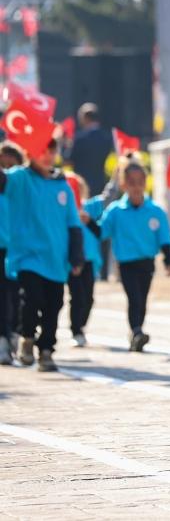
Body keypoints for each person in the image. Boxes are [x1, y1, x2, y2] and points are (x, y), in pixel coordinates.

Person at [0, 138, 84, 371]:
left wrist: (76, 256)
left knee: (54, 304)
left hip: (56, 260)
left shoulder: (63, 186)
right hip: (27, 257)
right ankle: (27, 337)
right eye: (42, 151)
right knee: (33, 298)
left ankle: (46, 350)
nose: (47, 155)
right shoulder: (19, 178)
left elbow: (73, 224)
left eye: (51, 150)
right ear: (29, 152)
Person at [100, 156, 170, 352]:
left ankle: (137, 331)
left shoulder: (155, 210)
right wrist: (88, 222)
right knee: (134, 297)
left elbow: (164, 236)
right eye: (131, 183)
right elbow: (102, 231)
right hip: (125, 263)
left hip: (146, 261)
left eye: (140, 183)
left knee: (143, 298)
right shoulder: (116, 210)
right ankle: (136, 330)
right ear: (124, 184)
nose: (136, 187)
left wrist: (168, 258)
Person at [66, 173, 103, 348]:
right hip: (72, 260)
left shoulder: (90, 207)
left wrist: (119, 171)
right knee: (77, 296)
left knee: (88, 298)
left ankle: (80, 326)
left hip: (90, 260)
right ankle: (75, 330)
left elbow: (109, 197)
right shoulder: (64, 211)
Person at [0, 141, 25, 365]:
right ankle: (3, 340)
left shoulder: (23, 189)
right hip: (1, 249)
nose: (6, 170)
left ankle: (15, 334)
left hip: (19, 250)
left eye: (11, 164)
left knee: (17, 297)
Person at [65, 103, 115, 196]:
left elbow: (68, 161)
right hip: (100, 183)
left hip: (82, 185)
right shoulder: (106, 138)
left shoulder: (80, 139)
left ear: (85, 118)